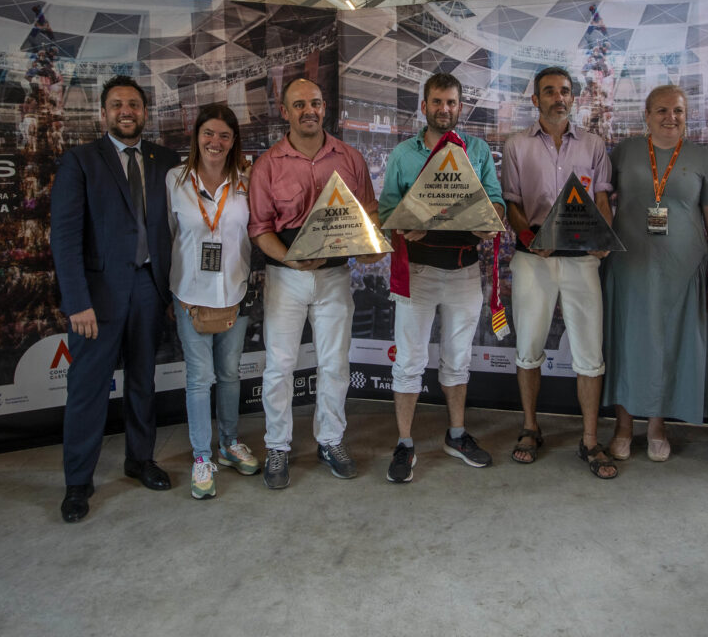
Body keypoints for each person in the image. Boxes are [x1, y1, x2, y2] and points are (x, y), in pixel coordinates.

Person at [50, 75, 179, 523]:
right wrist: (76, 302)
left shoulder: (165, 159)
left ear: (145, 112)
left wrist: (170, 291)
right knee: (87, 391)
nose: (127, 111)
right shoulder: (80, 161)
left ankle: (140, 459)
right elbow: (64, 239)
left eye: (135, 105)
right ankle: (78, 483)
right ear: (103, 114)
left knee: (143, 382)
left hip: (150, 289)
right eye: (118, 105)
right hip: (96, 300)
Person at [248, 77, 381, 490]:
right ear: (284, 111)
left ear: (326, 109)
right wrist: (293, 258)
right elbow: (259, 229)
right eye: (300, 103)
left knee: (334, 365)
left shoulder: (351, 158)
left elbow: (370, 216)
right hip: (286, 276)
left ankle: (331, 441)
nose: (310, 110)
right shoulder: (268, 164)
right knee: (279, 367)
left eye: (317, 103)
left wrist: (372, 246)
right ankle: (277, 447)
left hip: (336, 276)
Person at [379, 71, 505, 483]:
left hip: (465, 270)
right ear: (424, 106)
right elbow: (386, 215)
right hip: (417, 271)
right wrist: (402, 225)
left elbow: (496, 203)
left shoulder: (479, 150)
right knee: (410, 361)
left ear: (460, 106)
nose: (444, 109)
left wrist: (493, 222)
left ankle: (456, 434)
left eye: (451, 102)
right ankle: (404, 442)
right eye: (437, 102)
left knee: (459, 359)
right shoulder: (403, 154)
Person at [501, 67, 617, 479]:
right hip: (534, 259)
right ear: (535, 99)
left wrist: (603, 235)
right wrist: (531, 236)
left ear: (574, 99)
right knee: (528, 347)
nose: (558, 97)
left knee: (589, 352)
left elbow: (602, 199)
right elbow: (511, 204)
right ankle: (530, 428)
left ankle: (589, 440)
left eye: (565, 91)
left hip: (582, 260)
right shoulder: (516, 145)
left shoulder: (593, 145)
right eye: (549, 91)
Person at [602, 85, 708, 463]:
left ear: (687, 116)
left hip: (684, 270)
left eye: (678, 111)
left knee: (669, 346)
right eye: (661, 110)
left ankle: (657, 425)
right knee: (627, 344)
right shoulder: (624, 152)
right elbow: (601, 202)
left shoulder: (702, 157)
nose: (670, 118)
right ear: (646, 115)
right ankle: (623, 426)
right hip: (630, 267)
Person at [167, 104, 258, 500]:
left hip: (234, 295)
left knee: (231, 374)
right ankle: (202, 457)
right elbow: (170, 234)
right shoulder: (175, 180)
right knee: (198, 380)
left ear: (233, 140)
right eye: (208, 133)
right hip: (190, 297)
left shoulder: (246, 182)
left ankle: (229, 443)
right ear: (196, 137)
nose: (215, 142)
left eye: (224, 135)